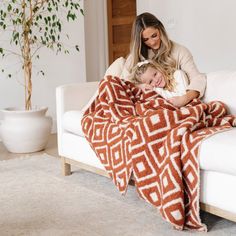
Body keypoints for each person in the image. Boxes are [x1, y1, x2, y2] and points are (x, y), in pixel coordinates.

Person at [119, 12, 206, 107]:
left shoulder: (180, 51)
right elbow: (123, 83)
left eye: (154, 35)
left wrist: (184, 99)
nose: (152, 42)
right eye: (146, 39)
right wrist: (140, 86)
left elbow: (197, 78)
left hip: (175, 101)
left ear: (160, 29)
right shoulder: (135, 56)